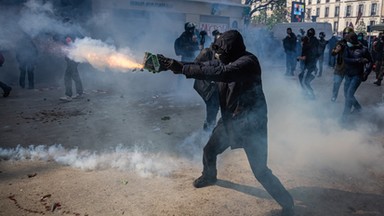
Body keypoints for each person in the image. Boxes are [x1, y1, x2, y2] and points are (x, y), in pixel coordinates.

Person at [157, 30, 295, 216]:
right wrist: (173, 64)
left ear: (232, 50)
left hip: (251, 125)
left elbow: (223, 73)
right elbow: (202, 66)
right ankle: (209, 176)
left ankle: (288, 205)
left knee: (260, 171)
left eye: (222, 51)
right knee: (209, 150)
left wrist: (181, 69)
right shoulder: (227, 59)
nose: (218, 55)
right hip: (231, 120)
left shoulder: (248, 62)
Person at [341, 32, 372, 123]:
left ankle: (344, 118)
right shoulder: (347, 48)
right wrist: (358, 60)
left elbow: (370, 61)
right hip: (348, 75)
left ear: (352, 40)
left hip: (357, 75)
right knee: (346, 94)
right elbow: (345, 59)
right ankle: (358, 108)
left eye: (348, 40)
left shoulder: (364, 50)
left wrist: (366, 73)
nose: (347, 42)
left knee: (349, 95)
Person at [193, 30, 221, 131]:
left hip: (217, 87)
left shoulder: (224, 54)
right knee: (212, 110)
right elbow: (195, 66)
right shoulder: (206, 52)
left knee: (217, 109)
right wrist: (210, 67)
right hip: (207, 87)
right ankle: (206, 134)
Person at [330, 27, 354, 102]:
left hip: (350, 68)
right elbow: (333, 53)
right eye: (345, 34)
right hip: (340, 67)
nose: (346, 36)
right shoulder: (339, 43)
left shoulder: (355, 43)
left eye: (348, 34)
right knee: (336, 83)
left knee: (347, 88)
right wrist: (337, 50)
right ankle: (334, 96)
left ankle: (349, 101)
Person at [59, 35, 83, 102]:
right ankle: (79, 93)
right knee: (75, 76)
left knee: (67, 77)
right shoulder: (72, 38)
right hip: (73, 60)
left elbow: (71, 50)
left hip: (72, 60)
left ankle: (68, 95)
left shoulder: (69, 38)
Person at [297, 28, 319, 100]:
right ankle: (306, 92)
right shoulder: (308, 46)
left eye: (301, 41)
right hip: (310, 65)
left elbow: (304, 57)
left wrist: (298, 58)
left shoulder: (306, 47)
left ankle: (311, 95)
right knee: (301, 77)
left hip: (310, 66)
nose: (300, 42)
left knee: (305, 81)